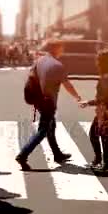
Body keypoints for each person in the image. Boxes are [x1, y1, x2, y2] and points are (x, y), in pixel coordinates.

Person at [15, 39, 82, 171]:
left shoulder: (39, 60)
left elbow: (31, 77)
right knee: (43, 130)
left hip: (38, 100)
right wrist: (77, 97)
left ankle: (57, 154)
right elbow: (67, 84)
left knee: (51, 126)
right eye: (62, 47)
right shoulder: (57, 66)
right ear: (56, 48)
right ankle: (23, 155)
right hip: (48, 102)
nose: (63, 50)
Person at [80, 50, 108, 172]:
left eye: (98, 60)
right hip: (105, 110)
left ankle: (107, 165)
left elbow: (103, 97)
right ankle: (100, 160)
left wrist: (89, 102)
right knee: (97, 135)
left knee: (103, 137)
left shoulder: (107, 77)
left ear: (103, 62)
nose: (96, 63)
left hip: (104, 111)